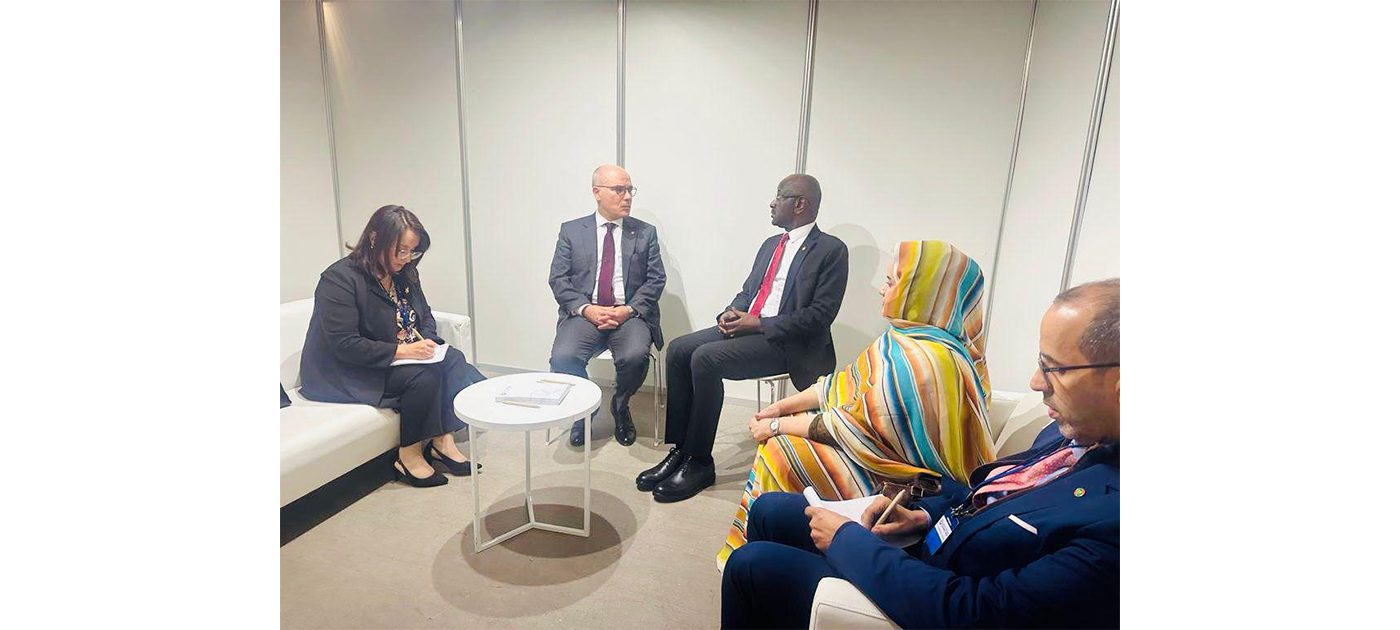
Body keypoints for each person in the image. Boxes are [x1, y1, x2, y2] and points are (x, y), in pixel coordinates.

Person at [720, 278, 1120, 629]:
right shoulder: (1073, 432)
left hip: (939, 586)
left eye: (1053, 368)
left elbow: (976, 612)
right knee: (770, 508)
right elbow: (988, 493)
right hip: (935, 537)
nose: (1035, 382)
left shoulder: (1114, 524)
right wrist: (923, 516)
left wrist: (846, 541)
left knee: (751, 565)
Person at [716, 240, 997, 570]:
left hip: (912, 485)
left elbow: (854, 426)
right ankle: (771, 545)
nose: (882, 289)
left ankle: (773, 552)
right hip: (883, 456)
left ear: (921, 292)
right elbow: (840, 385)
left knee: (782, 450)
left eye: (892, 281)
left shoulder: (928, 360)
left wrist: (775, 425)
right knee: (785, 436)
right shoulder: (904, 337)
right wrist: (779, 409)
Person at [638, 174, 849, 503]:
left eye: (779, 196)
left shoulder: (831, 250)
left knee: (705, 358)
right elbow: (750, 291)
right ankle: (681, 450)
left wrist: (760, 323)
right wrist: (732, 312)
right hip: (752, 327)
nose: (772, 202)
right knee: (679, 349)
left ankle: (700, 463)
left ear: (800, 204)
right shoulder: (770, 245)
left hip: (790, 344)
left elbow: (820, 316)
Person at [300, 205, 487, 488]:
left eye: (412, 251)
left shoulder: (404, 273)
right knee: (423, 377)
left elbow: (424, 316)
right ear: (375, 238)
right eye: (400, 250)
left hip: (394, 357)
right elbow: (344, 344)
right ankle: (409, 455)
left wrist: (426, 342)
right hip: (344, 370)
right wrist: (402, 351)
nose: (406, 258)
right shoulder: (339, 279)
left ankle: (443, 442)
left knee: (452, 359)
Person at [548, 164, 666, 447]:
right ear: (596, 192)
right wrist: (587, 309)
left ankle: (621, 405)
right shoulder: (572, 231)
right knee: (563, 357)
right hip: (585, 314)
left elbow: (656, 279)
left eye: (630, 189)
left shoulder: (645, 232)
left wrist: (627, 310)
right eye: (619, 189)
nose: (627, 196)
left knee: (635, 356)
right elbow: (558, 279)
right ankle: (583, 410)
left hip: (630, 314)